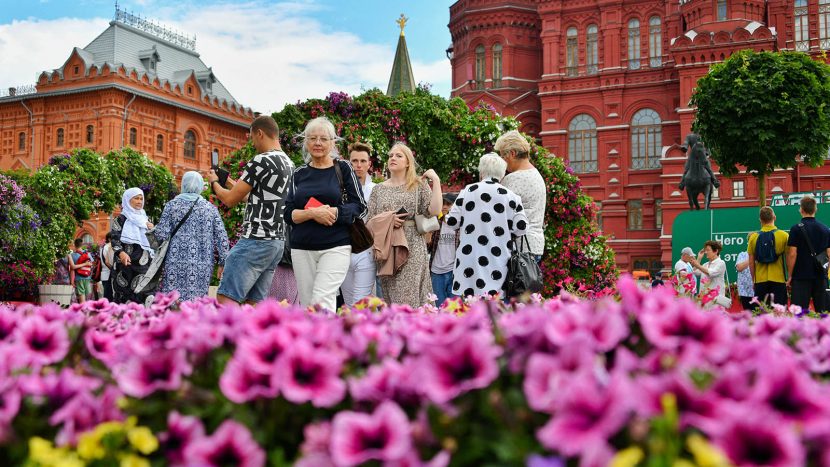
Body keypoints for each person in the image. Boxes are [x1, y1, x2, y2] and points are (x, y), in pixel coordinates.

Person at [284, 117, 367, 311]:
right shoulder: (299, 173)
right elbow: (288, 213)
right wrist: (313, 214)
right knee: (307, 305)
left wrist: (334, 212)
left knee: (321, 300)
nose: (318, 143)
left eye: (323, 138)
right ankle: (314, 341)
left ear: (333, 142)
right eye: (312, 138)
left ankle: (326, 341)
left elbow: (360, 206)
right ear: (305, 142)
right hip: (301, 248)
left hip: (335, 246)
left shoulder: (344, 168)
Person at [209, 115, 294, 305]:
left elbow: (229, 200)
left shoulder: (261, 160)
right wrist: (232, 183)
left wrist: (214, 182)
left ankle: (229, 335)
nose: (253, 143)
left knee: (226, 298)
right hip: (276, 243)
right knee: (254, 303)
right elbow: (258, 198)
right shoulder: (288, 163)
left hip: (255, 239)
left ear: (260, 133)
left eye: (252, 138)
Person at [367, 142, 442, 307]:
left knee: (408, 297)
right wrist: (388, 220)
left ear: (408, 162)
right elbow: (369, 221)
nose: (393, 158)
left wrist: (435, 180)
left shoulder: (417, 185)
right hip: (387, 249)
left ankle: (411, 329)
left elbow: (435, 210)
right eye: (391, 155)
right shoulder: (378, 189)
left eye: (398, 155)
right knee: (390, 298)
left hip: (412, 246)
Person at [445, 153, 528, 298]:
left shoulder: (467, 192)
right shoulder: (512, 197)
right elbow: (521, 228)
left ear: (481, 172)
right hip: (499, 260)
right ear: (502, 174)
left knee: (468, 306)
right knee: (495, 308)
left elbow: (452, 222)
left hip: (469, 259)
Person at [155, 171, 229, 302]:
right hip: (202, 263)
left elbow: (160, 235)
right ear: (200, 186)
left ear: (183, 184)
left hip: (175, 261)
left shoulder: (172, 205)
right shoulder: (210, 208)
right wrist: (223, 262)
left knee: (173, 300)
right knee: (197, 301)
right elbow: (222, 237)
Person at [497, 130, 546, 263]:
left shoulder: (513, 178)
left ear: (512, 153)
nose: (502, 162)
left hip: (518, 248)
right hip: (534, 244)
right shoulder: (536, 174)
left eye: (503, 156)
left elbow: (497, 211)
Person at [340, 142, 378, 305]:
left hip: (366, 250)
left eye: (363, 161)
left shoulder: (376, 190)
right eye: (354, 161)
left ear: (369, 164)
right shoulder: (339, 189)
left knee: (361, 304)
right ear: (349, 162)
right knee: (348, 304)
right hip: (343, 249)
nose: (358, 165)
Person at [111, 188, 155, 304]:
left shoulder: (146, 219)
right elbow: (115, 239)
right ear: (128, 200)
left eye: (141, 199)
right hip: (125, 263)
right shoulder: (121, 219)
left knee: (144, 294)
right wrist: (121, 253)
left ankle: (144, 320)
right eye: (136, 198)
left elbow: (153, 243)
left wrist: (152, 230)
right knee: (123, 295)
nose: (139, 201)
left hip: (143, 264)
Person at [787, 196, 830, 313]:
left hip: (801, 276)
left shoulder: (795, 229)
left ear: (801, 210)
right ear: (815, 209)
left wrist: (790, 275)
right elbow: (829, 254)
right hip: (821, 276)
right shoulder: (826, 230)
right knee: (823, 314)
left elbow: (792, 254)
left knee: (799, 315)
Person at [747, 206, 789, 307]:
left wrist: (754, 280)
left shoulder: (753, 237)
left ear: (760, 220)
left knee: (761, 313)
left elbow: (751, 262)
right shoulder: (784, 236)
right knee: (779, 313)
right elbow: (789, 258)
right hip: (779, 279)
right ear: (774, 217)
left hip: (760, 280)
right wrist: (789, 277)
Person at [429, 192, 460, 305]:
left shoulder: (459, 225)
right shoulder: (436, 223)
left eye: (449, 204)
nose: (445, 207)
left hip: (454, 271)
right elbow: (428, 246)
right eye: (443, 204)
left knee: (455, 308)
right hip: (436, 271)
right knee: (438, 307)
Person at [69, 238, 93, 303]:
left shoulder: (72, 255)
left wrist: (71, 281)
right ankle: (87, 311)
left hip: (78, 278)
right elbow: (91, 265)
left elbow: (72, 269)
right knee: (88, 297)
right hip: (87, 277)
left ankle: (83, 311)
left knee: (81, 297)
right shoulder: (88, 254)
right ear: (82, 245)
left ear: (74, 245)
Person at [735, 246, 753, 310]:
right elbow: (739, 268)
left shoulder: (761, 254)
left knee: (759, 315)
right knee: (748, 315)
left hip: (758, 290)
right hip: (745, 291)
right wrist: (752, 257)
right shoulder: (742, 254)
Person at [100, 232, 115, 301]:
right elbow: (108, 262)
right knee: (109, 296)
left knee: (107, 295)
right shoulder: (108, 247)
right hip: (108, 274)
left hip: (105, 274)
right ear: (109, 239)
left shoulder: (103, 247)